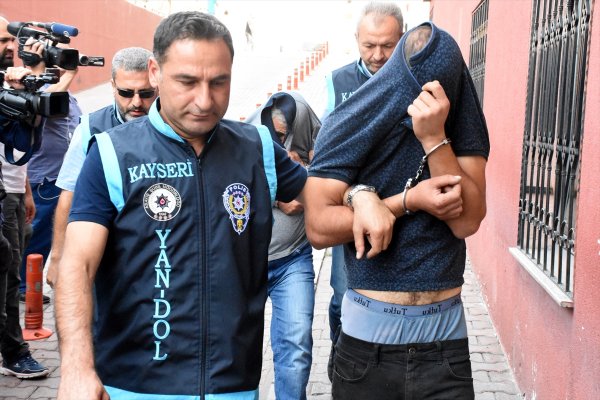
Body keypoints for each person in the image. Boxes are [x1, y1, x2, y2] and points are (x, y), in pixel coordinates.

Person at [54, 11, 307, 400]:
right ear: (155, 72)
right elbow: (77, 265)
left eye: (218, 82)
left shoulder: (257, 147)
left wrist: (362, 195)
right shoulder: (110, 153)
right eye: (187, 82)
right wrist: (76, 368)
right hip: (132, 388)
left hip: (233, 388)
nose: (204, 101)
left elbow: (324, 198)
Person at [304, 22, 489, 399]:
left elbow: (467, 221)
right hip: (367, 344)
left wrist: (435, 138)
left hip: (444, 341)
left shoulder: (460, 117)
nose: (426, 99)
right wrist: (396, 200)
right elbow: (318, 227)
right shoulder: (353, 117)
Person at [323, 1, 404, 355]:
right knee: (343, 297)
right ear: (356, 38)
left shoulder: (416, 79)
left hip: (402, 206)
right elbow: (325, 150)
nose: (378, 55)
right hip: (350, 208)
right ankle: (339, 361)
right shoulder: (337, 81)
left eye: (388, 45)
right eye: (369, 45)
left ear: (403, 37)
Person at [46, 47, 156, 287]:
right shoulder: (90, 127)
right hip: (102, 251)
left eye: (146, 93)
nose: (137, 102)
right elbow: (69, 193)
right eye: (126, 93)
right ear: (113, 86)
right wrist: (57, 258)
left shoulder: (174, 126)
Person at [247, 91, 320, 400]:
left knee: (297, 344)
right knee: (238, 349)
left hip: (293, 259)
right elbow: (230, 193)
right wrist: (279, 196)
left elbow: (332, 170)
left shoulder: (305, 118)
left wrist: (305, 168)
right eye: (276, 135)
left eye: (286, 134)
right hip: (247, 262)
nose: (283, 140)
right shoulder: (248, 137)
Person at [17, 36, 82, 303]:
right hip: (44, 179)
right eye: (59, 57)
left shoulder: (66, 94)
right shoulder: (40, 90)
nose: (65, 64)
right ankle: (23, 287)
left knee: (49, 235)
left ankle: (29, 283)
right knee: (37, 234)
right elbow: (47, 101)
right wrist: (68, 74)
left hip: (60, 177)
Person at [0, 34, 49, 377]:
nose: (10, 46)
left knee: (10, 272)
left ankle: (13, 351)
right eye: (3, 39)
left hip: (10, 190)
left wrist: (24, 98)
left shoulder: (8, 85)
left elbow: (17, 145)